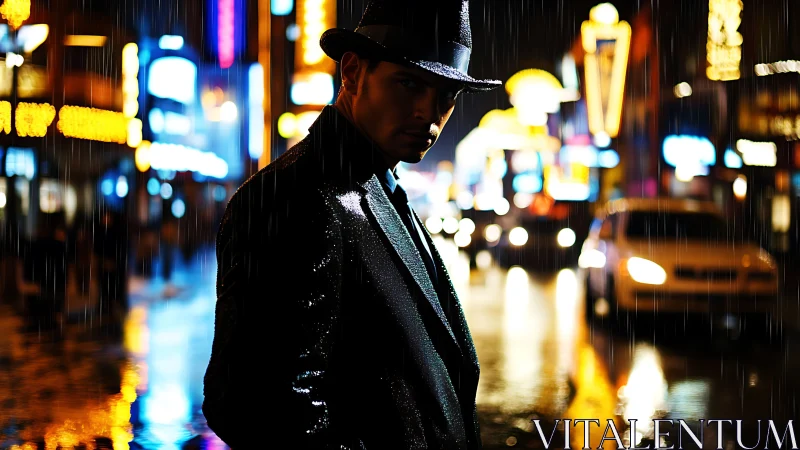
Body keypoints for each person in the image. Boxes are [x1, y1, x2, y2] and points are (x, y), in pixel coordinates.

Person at [202, 1, 501, 448]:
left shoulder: (378, 184)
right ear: (353, 73)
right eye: (409, 83)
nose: (430, 112)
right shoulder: (295, 196)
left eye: (446, 96)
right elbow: (254, 404)